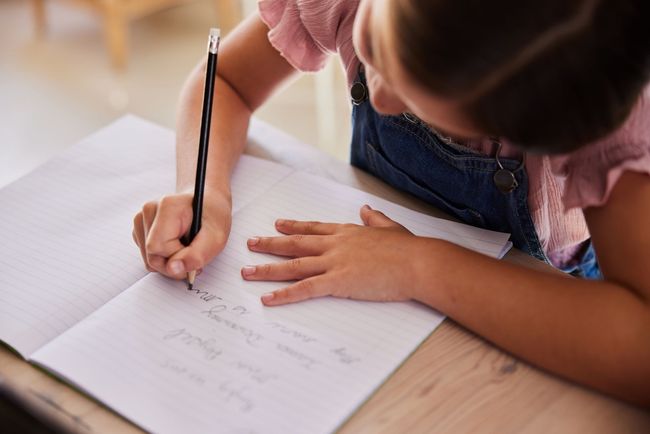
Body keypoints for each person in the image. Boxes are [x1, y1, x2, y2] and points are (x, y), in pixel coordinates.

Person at [132, 0, 650, 406]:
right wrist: (206, 192)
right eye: (374, 51)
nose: (377, 98)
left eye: (424, 105)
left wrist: (420, 265)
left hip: (538, 315)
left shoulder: (602, 113)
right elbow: (223, 79)